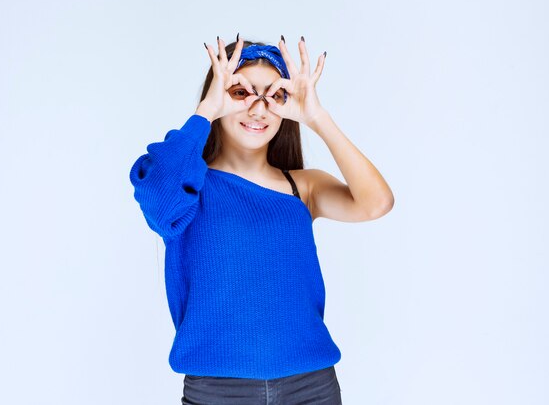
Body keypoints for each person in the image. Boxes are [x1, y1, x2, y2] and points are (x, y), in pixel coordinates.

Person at [129, 33, 394, 404]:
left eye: (274, 96)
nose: (258, 109)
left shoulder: (303, 186)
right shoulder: (188, 188)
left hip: (311, 387)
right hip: (218, 392)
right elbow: (156, 190)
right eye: (241, 93)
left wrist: (317, 117)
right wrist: (206, 111)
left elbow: (376, 203)